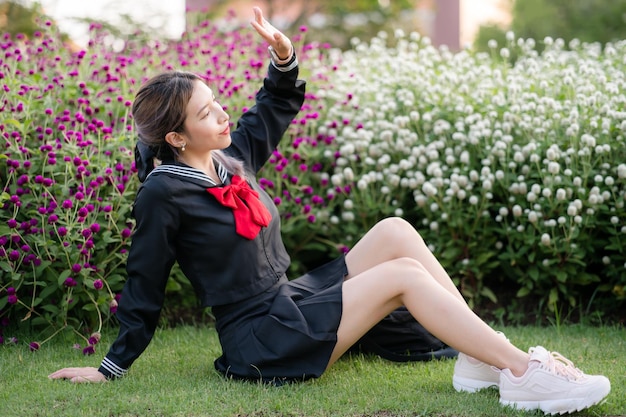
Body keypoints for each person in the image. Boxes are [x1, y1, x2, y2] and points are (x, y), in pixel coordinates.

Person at [50, 7, 611, 415]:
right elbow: (142, 285)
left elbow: (273, 104)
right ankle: (521, 372)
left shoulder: (230, 159)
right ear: (175, 135)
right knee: (402, 276)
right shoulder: (163, 193)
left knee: (393, 231)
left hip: (290, 301)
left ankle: (481, 358)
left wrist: (283, 54)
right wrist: (109, 369)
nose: (223, 115)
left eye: (218, 103)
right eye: (206, 113)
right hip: (261, 340)